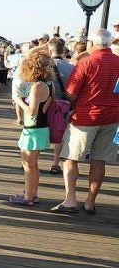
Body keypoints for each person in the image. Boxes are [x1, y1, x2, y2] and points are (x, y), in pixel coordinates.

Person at [52, 29, 119, 214]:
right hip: (113, 117)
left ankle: (70, 199)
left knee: (71, 157)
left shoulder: (86, 62)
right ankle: (90, 201)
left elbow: (71, 93)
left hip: (86, 117)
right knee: (99, 160)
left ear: (93, 44)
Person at [9, 51, 54, 206]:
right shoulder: (49, 84)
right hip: (41, 128)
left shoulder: (37, 86)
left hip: (32, 129)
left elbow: (32, 111)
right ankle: (33, 193)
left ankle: (28, 197)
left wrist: (18, 101)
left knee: (28, 165)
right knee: (34, 165)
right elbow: (45, 108)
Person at [48, 37, 74, 175]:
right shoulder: (71, 67)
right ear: (63, 50)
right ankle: (55, 163)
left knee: (41, 131)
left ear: (50, 49)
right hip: (63, 105)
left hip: (46, 103)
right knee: (61, 134)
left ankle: (32, 160)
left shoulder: (44, 65)